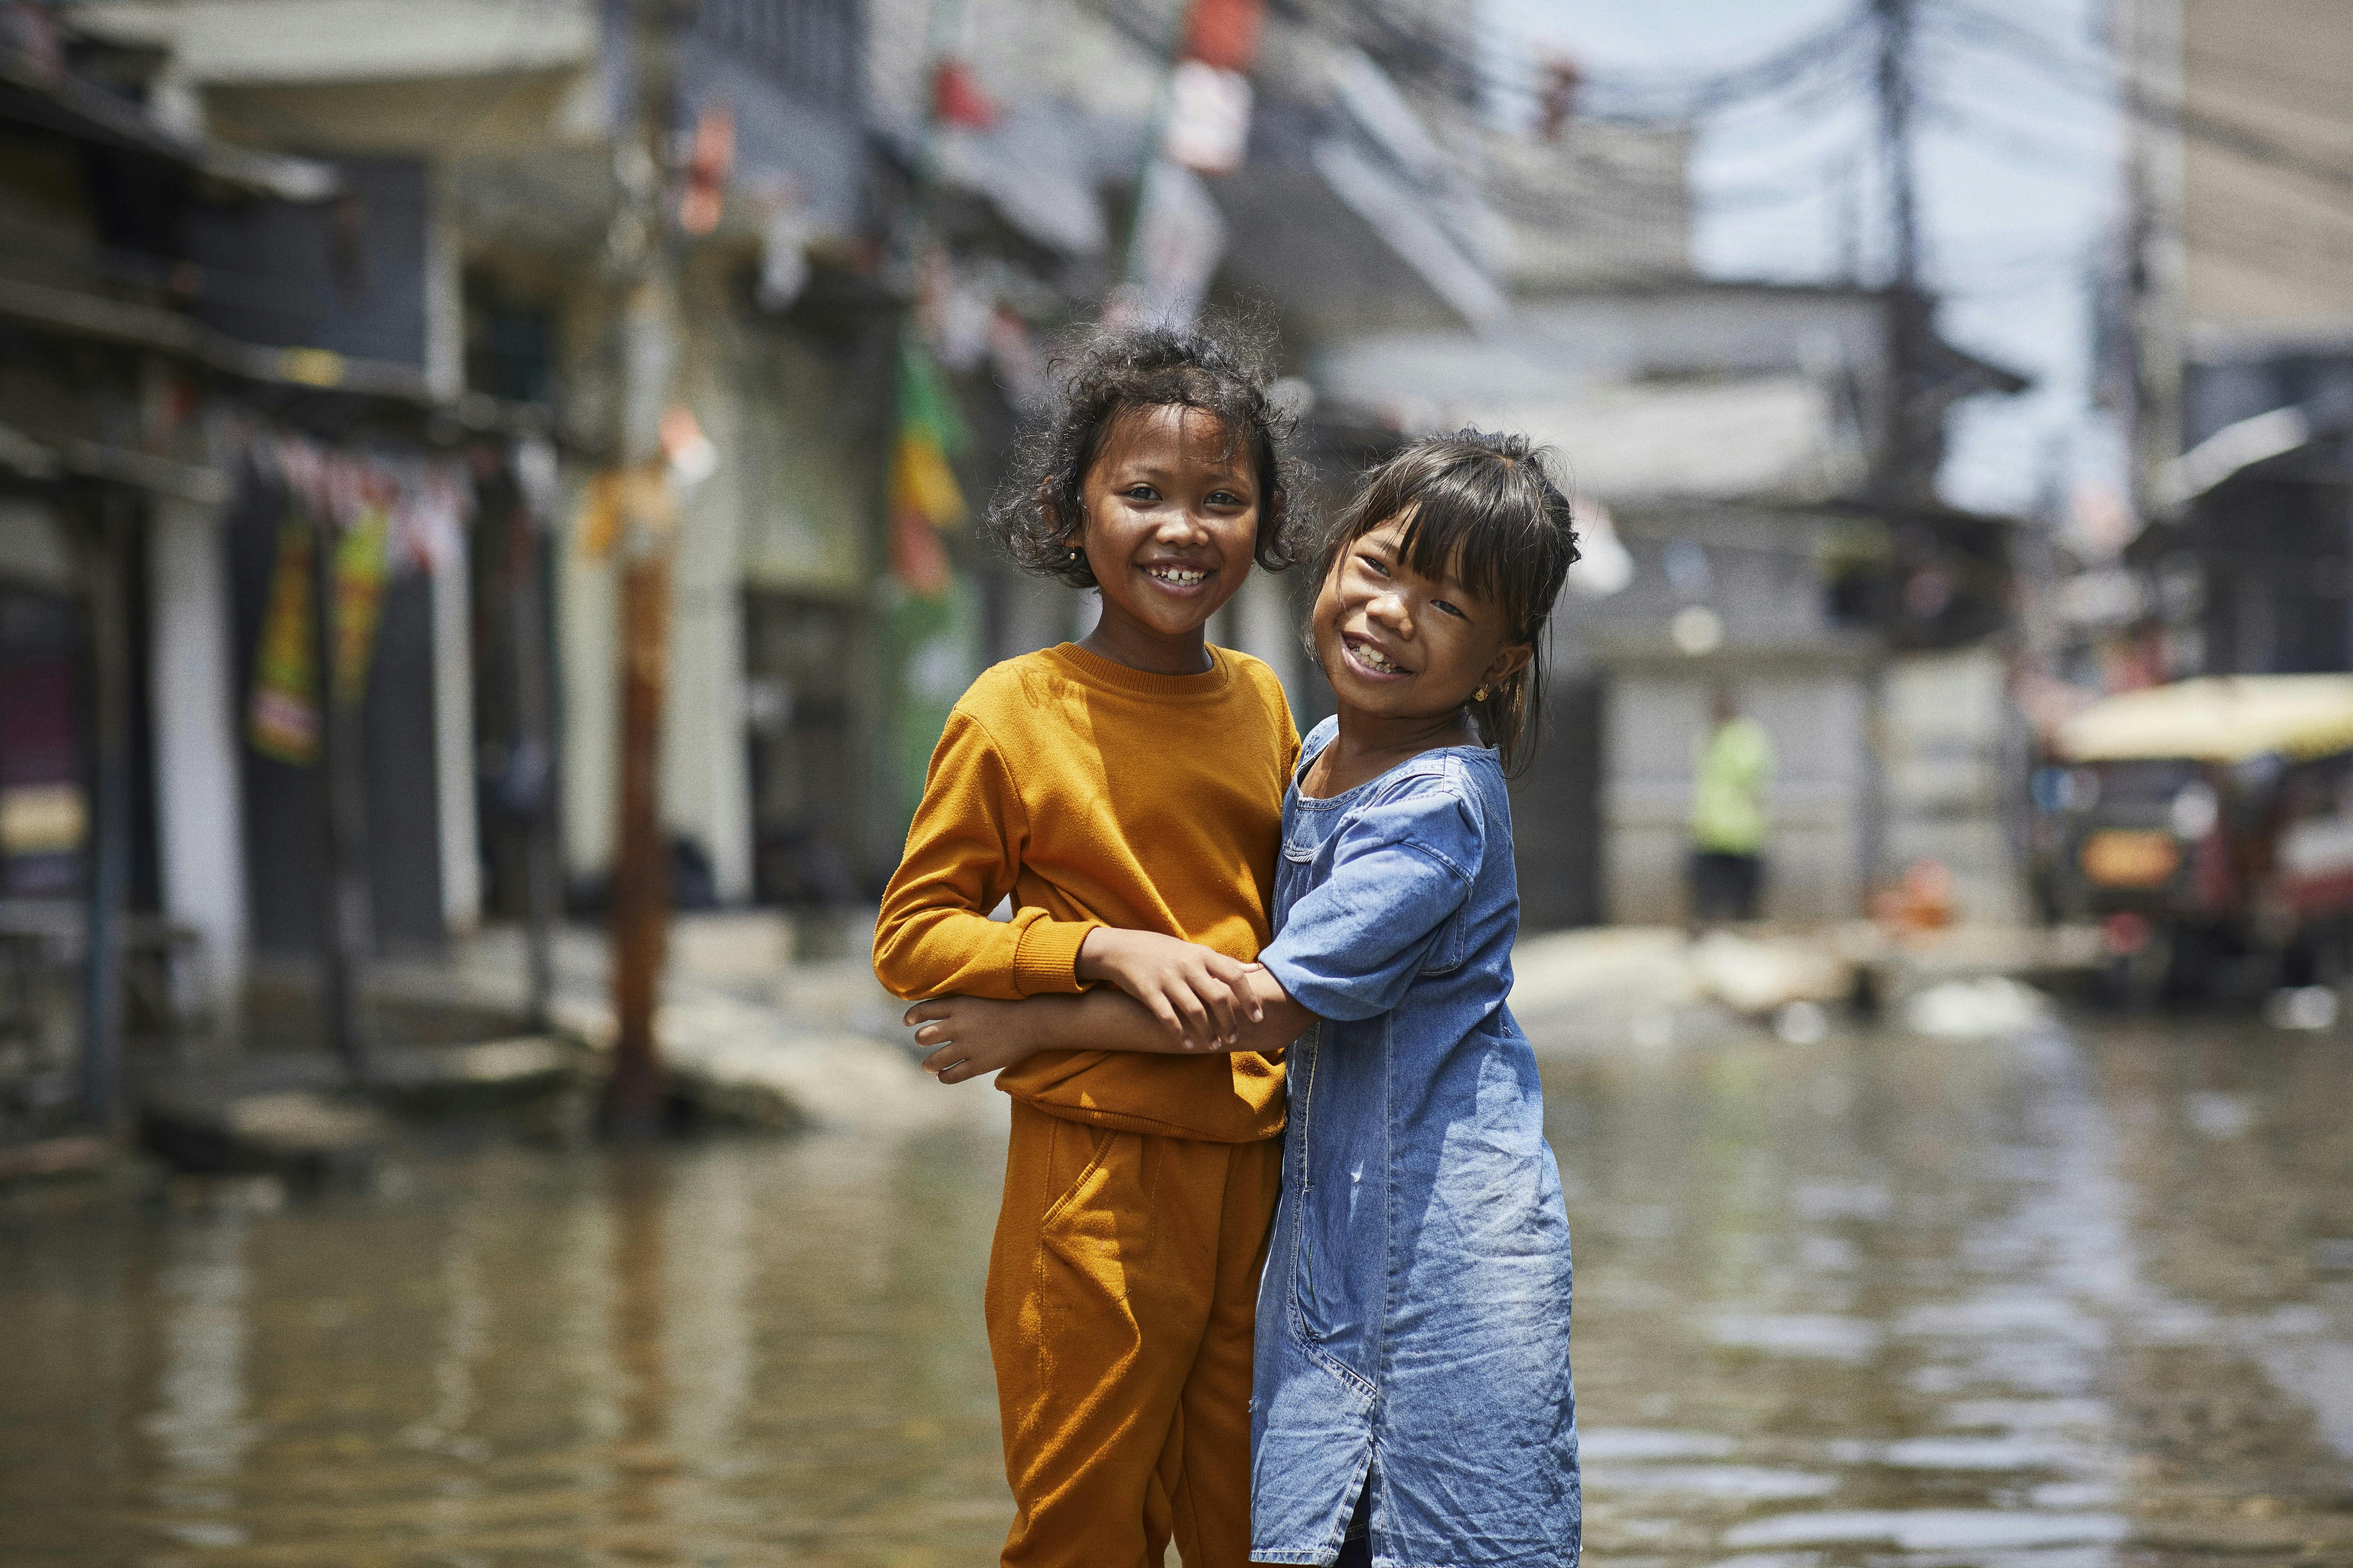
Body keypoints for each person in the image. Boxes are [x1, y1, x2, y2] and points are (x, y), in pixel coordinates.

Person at [912, 431, 1585, 1568]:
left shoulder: (1435, 808)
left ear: (1501, 662)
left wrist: (1029, 1016)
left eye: (1445, 605)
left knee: (1445, 1532)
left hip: (1445, 1253)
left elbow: (1260, 1004)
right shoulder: (1310, 746)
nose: (1391, 613)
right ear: (1334, 555)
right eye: (1378, 566)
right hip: (1324, 1225)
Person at [870, 320, 1306, 1568]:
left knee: (1259, 1528)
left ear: (1264, 522)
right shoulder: (1012, 709)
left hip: (1263, 1181)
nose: (1183, 528)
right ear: (1071, 515)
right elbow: (912, 935)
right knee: (1084, 1529)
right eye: (1143, 493)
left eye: (1220, 498)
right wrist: (1095, 951)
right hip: (1094, 1181)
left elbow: (1286, 946)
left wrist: (1027, 1020)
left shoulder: (1262, 702)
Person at [1688, 684, 1773, 926]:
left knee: (1743, 897)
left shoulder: (1747, 737)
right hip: (1710, 830)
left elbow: (1752, 775)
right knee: (1707, 895)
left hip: (1742, 830)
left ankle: (1741, 927)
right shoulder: (1708, 736)